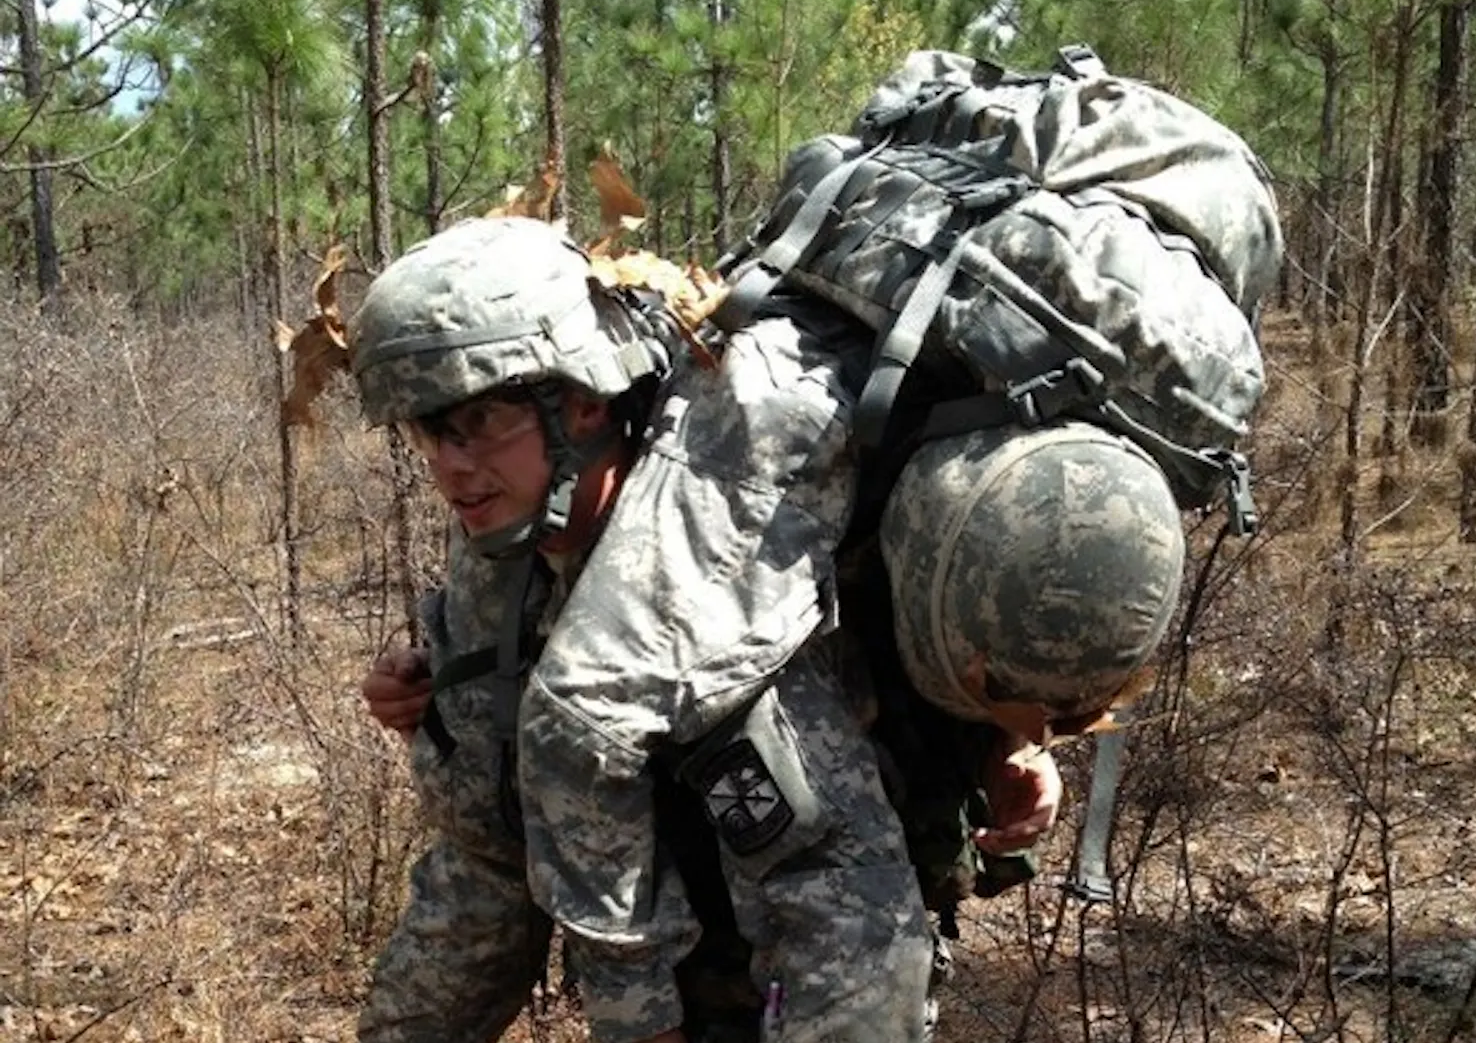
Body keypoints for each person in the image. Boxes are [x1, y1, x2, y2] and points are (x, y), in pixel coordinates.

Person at [348, 213, 1149, 1043]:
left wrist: (1007, 744)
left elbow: (854, 931)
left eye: (478, 422)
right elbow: (484, 861)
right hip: (684, 930)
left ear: (581, 404)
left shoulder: (721, 570)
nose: (449, 464)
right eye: (427, 430)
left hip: (792, 953)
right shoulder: (508, 539)